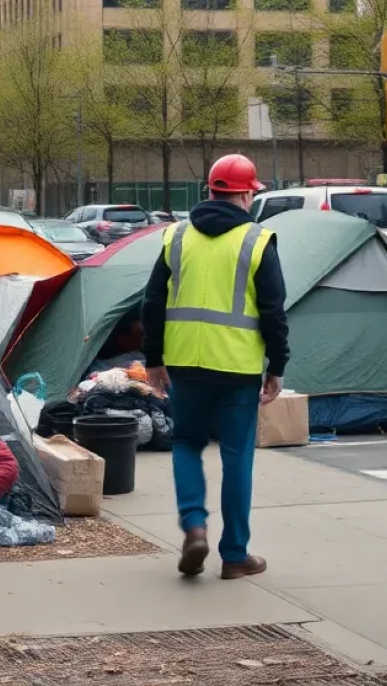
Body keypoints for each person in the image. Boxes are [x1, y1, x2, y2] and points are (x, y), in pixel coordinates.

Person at [142, 154, 288, 580]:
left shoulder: (177, 236)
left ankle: (195, 527)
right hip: (237, 368)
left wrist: (153, 358)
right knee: (236, 457)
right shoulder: (258, 240)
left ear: (209, 190)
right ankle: (235, 555)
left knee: (186, 444)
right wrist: (276, 365)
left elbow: (151, 301)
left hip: (185, 363)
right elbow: (273, 311)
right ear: (245, 194)